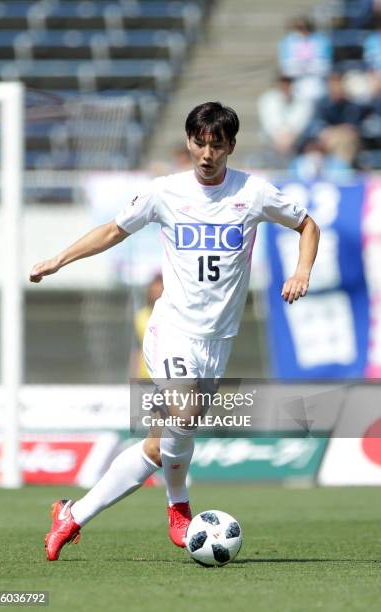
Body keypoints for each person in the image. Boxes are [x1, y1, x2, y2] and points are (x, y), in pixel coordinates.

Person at [30, 102, 320, 561]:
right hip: (172, 328)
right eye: (200, 143)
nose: (207, 153)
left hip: (217, 340)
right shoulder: (165, 192)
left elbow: (307, 225)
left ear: (231, 146)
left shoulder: (255, 192)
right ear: (189, 142)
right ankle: (178, 506)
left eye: (217, 145)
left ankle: (72, 514)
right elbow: (112, 230)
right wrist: (58, 260)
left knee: (160, 443)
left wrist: (301, 271)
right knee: (183, 415)